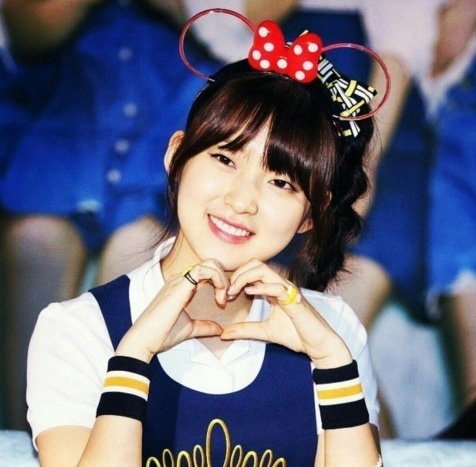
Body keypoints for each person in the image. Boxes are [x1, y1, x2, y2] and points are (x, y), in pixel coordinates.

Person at [26, 20, 385, 465]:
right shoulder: (79, 329)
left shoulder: (333, 331)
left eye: (282, 183)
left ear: (311, 214)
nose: (241, 201)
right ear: (177, 156)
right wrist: (132, 358)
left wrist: (332, 364)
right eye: (224, 159)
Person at [0, 0, 216, 429]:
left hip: (169, 110)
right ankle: (24, 435)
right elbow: (29, 32)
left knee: (139, 250)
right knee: (35, 243)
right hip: (68, 111)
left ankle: (112, 432)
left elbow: (236, 33)